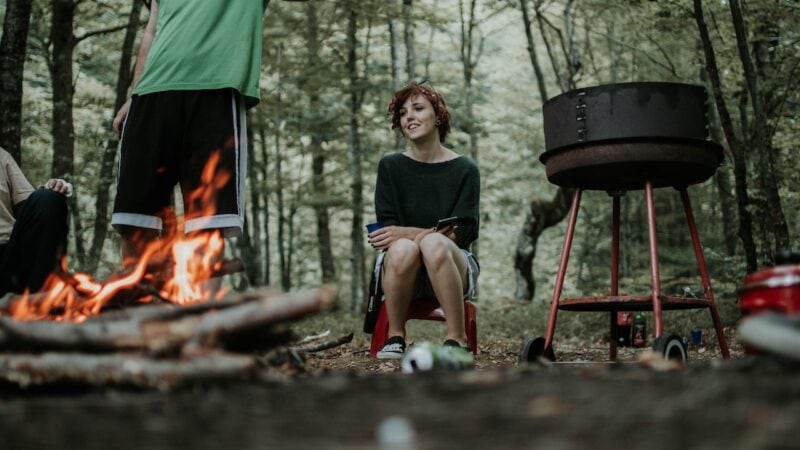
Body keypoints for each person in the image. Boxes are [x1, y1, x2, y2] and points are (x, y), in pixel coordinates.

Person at [111, 0, 294, 260]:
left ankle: (201, 289)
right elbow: (152, 30)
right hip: (150, 95)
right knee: (135, 221)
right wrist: (134, 94)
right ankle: (139, 286)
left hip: (215, 92)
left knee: (208, 224)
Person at [368, 82, 481, 359]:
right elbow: (386, 233)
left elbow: (463, 232)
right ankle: (395, 336)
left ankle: (456, 339)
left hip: (452, 268)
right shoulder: (390, 166)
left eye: (418, 108)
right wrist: (426, 233)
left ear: (438, 116)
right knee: (405, 248)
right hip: (401, 269)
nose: (409, 116)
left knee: (434, 245)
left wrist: (409, 232)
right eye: (403, 113)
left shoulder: (465, 169)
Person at [0, 147, 72, 296]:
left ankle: (41, 300)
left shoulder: (1, 156)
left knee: (47, 199)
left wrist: (50, 191)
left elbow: (30, 208)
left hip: (7, 259)